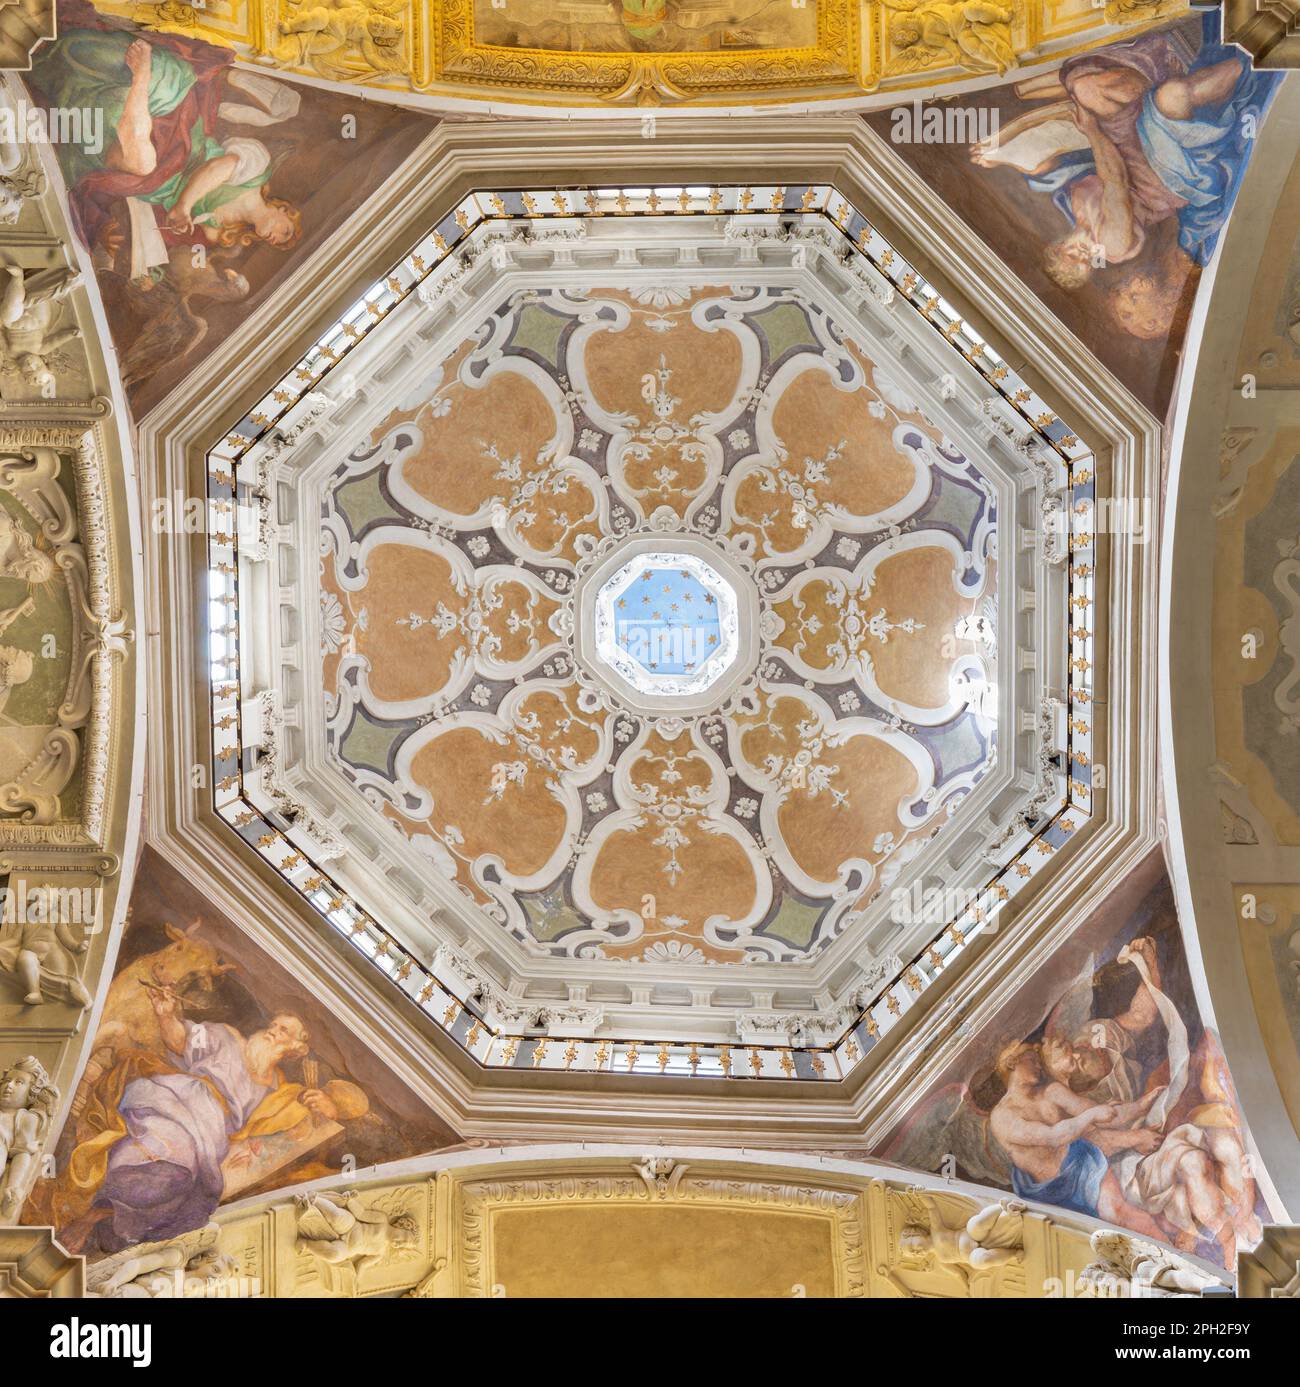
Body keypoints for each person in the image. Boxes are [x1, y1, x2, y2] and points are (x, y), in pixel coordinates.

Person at [65, 988, 338, 1251]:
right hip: (177, 1102)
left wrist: (328, 1106)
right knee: (166, 1153)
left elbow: (306, 1121)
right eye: (274, 1025)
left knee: (187, 1188)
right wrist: (166, 1016)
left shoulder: (280, 1089)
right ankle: (90, 1213)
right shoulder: (228, 1038)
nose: (272, 1031)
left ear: (297, 1047)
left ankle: (102, 1217)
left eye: (284, 1031)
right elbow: (180, 1040)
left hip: (210, 1136)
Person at [989, 1041, 1168, 1240]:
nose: (1039, 1067)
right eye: (1032, 1060)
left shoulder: (1052, 1092)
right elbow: (1052, 1136)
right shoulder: (1002, 1116)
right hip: (1047, 1194)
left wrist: (1139, 1107)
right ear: (1012, 1063)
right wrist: (1090, 1116)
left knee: (1116, 1212)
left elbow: (1103, 1114)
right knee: (1098, 1239)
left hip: (1082, 1164)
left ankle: (1172, 1248)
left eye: (1039, 1062)